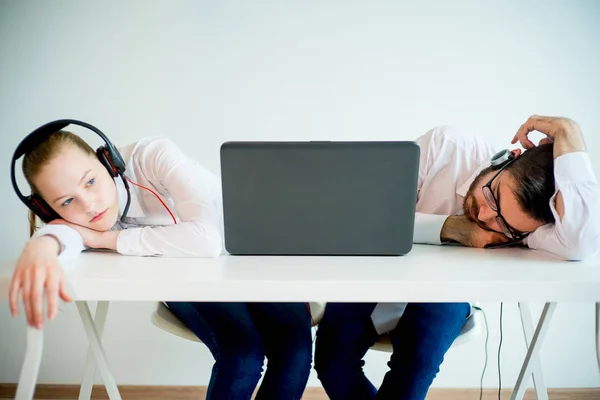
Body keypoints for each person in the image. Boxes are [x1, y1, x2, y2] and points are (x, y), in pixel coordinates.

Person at [8, 122, 312, 400]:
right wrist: (42, 245)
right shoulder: (72, 219)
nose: (89, 205)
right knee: (242, 353)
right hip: (188, 280)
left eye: (89, 182)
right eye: (67, 202)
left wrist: (107, 239)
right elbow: (64, 237)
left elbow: (206, 239)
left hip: (256, 258)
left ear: (107, 162)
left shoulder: (152, 157)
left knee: (294, 352)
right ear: (50, 210)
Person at [314, 115, 600, 399]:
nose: (486, 216)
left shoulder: (527, 229)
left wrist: (568, 132)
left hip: (446, 294)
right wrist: (449, 228)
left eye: (505, 224)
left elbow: (582, 241)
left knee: (411, 373)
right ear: (505, 158)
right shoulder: (449, 146)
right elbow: (362, 215)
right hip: (375, 274)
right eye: (493, 196)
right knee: (331, 361)